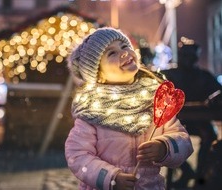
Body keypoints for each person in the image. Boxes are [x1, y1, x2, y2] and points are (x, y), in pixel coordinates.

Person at [64, 27, 193, 190]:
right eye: (112, 53)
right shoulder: (91, 112)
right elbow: (77, 156)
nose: (124, 53)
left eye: (124, 46)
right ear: (98, 74)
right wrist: (110, 178)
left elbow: (183, 140)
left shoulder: (154, 99)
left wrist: (165, 147)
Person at [162, 37, 222, 188]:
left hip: (199, 121)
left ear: (196, 57)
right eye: (185, 55)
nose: (188, 59)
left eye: (191, 55)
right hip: (173, 121)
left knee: (210, 136)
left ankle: (200, 176)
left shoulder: (204, 76)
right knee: (162, 139)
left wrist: (216, 96)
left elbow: (217, 91)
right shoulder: (169, 74)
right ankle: (188, 171)